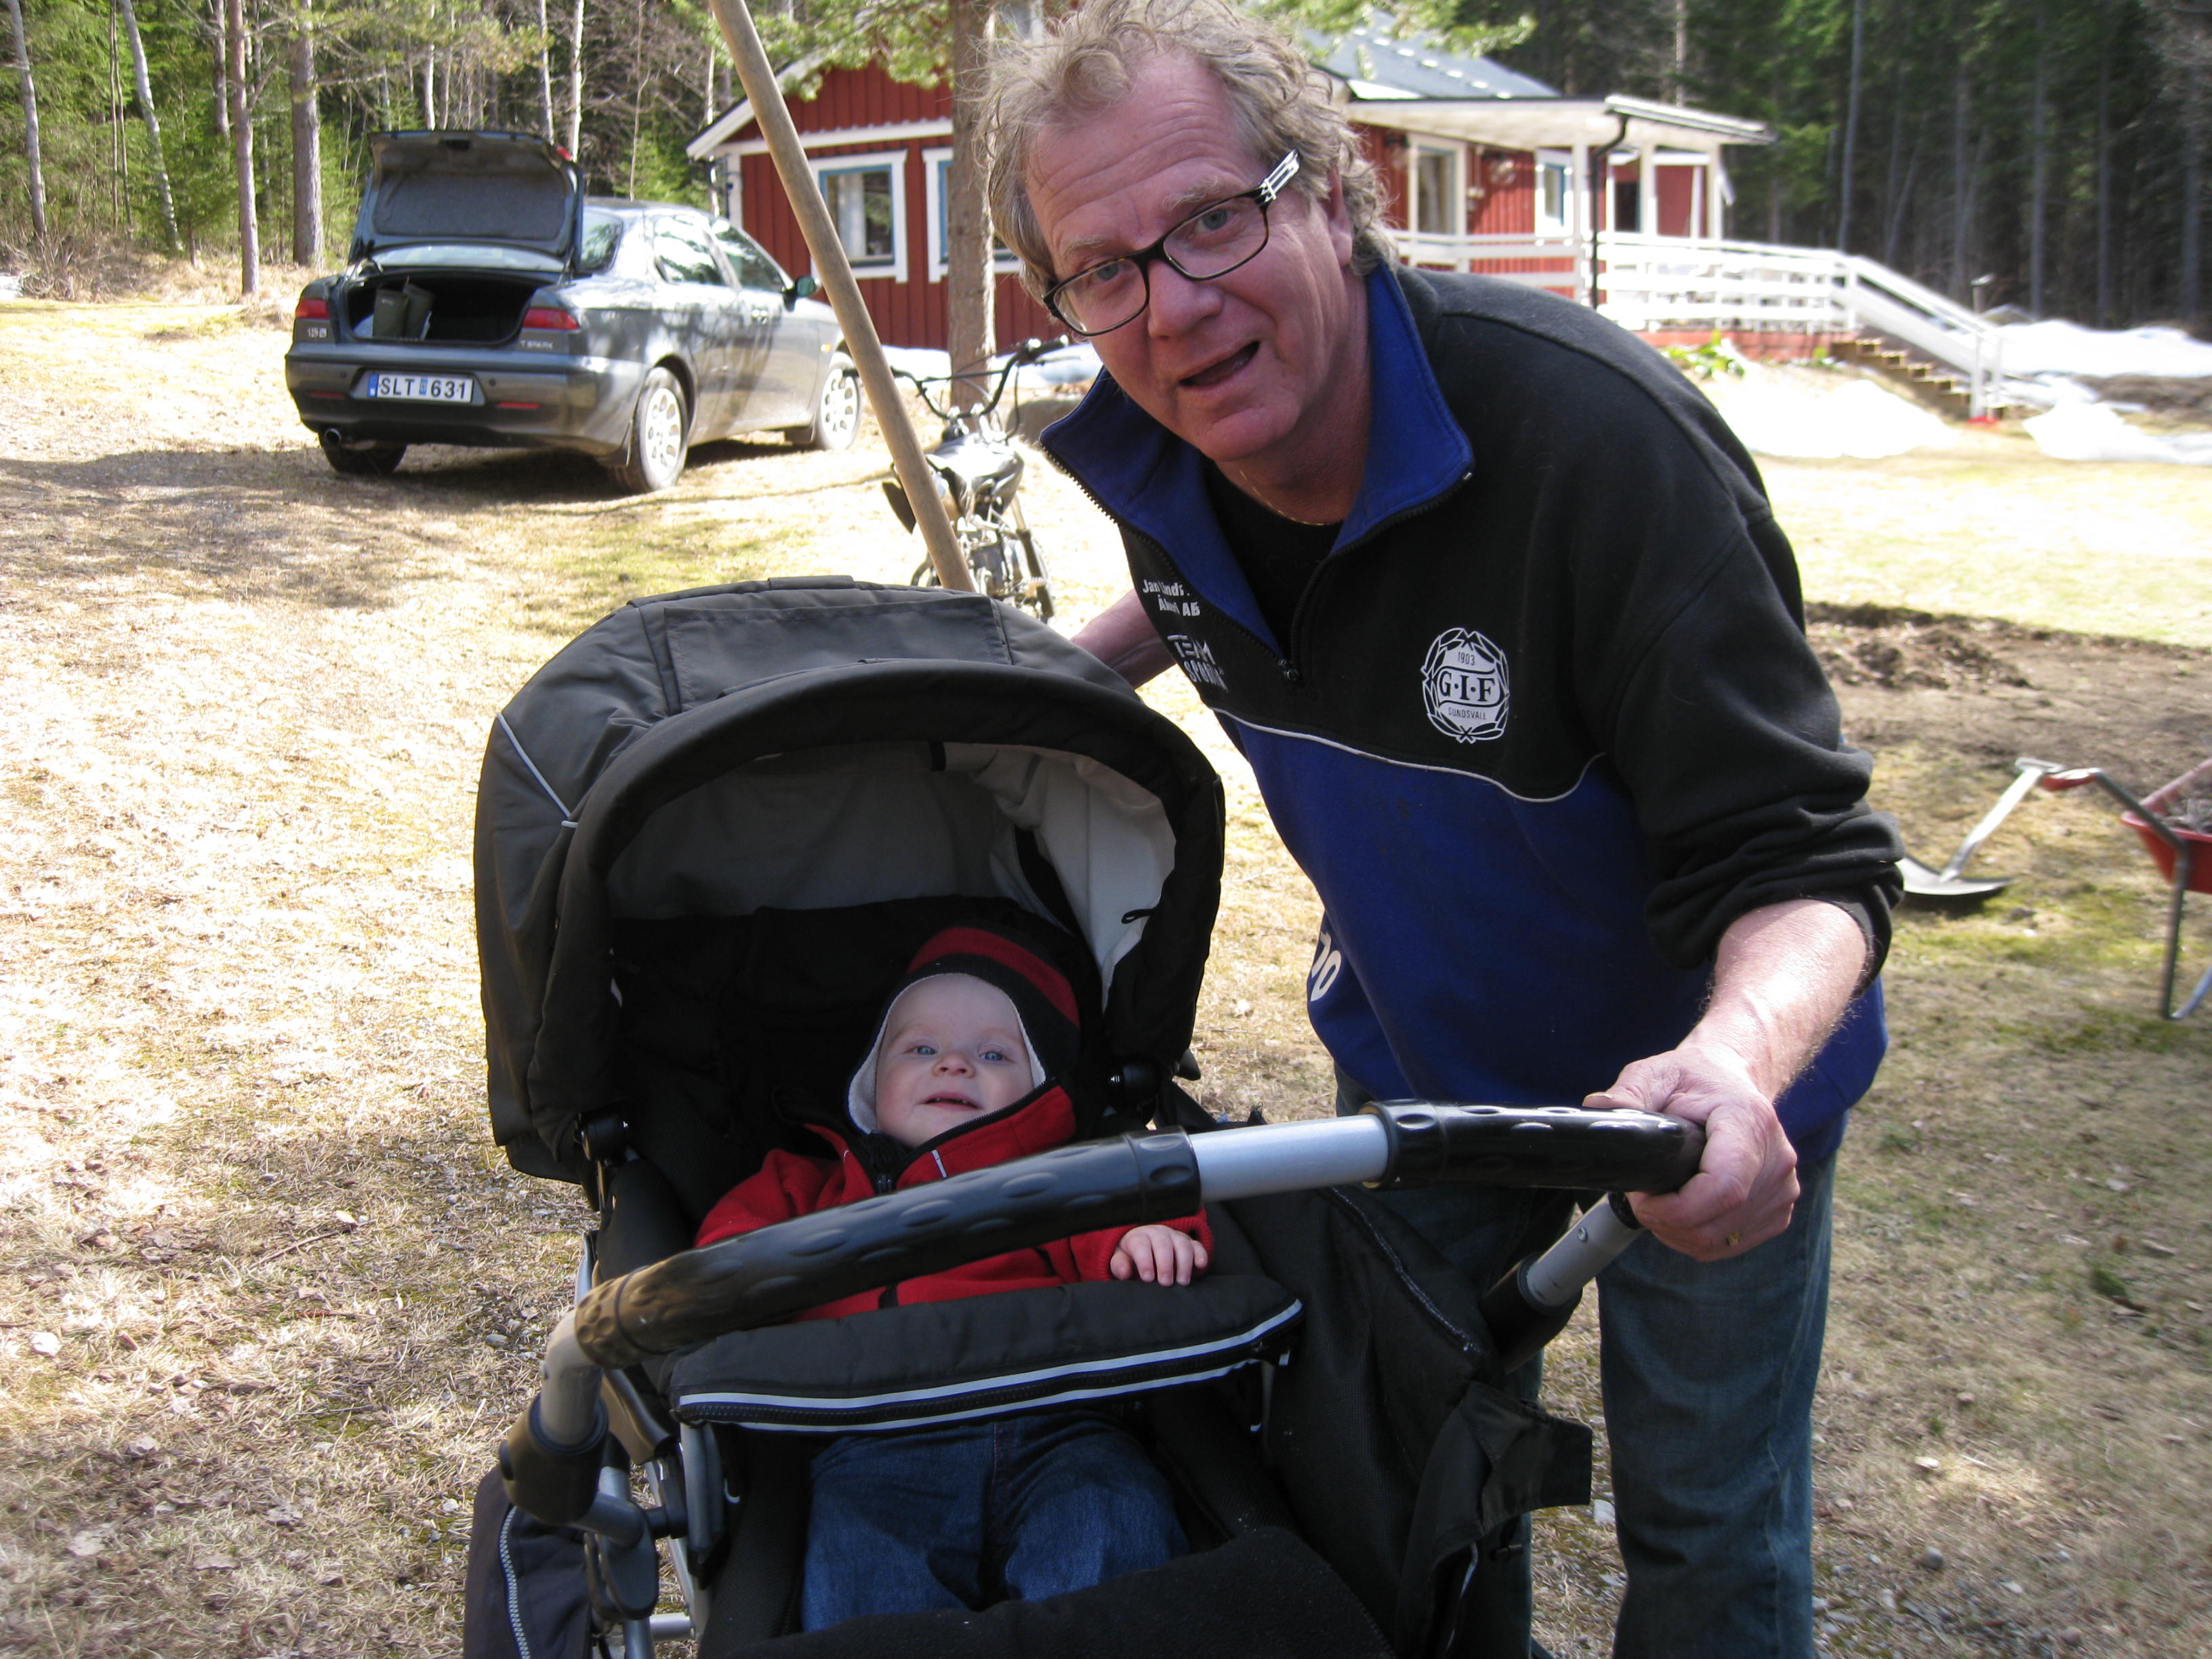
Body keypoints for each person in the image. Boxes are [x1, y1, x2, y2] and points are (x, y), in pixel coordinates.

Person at [982, 5, 1903, 1654]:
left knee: (1705, 1528)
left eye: (1213, 219)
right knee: (1411, 1468)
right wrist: (1035, 678)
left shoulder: (1596, 449)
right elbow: (1205, 595)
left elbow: (1813, 866)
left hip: (1694, 1100)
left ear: (1334, 194)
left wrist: (1732, 1071)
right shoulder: (1163, 454)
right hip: (1423, 1072)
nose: (1171, 304)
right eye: (1102, 268)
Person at [693, 921, 1208, 1631]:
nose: (954, 1065)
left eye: (993, 1053)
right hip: (876, 1434)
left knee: (1116, 1523)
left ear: (1039, 1090)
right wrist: (738, 1285)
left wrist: (1141, 1236)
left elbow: (1124, 1210)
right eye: (921, 1049)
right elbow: (724, 1256)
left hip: (1060, 1423)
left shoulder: (1055, 1181)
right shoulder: (807, 1185)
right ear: (871, 1081)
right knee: (859, 1564)